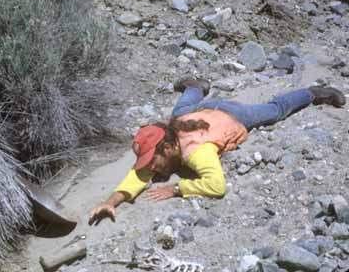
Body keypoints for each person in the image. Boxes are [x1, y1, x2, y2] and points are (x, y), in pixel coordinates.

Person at [88, 81, 346, 225]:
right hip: (196, 112)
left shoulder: (196, 152)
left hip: (232, 114)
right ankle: (195, 85)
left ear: (167, 148)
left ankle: (314, 92)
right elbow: (138, 177)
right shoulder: (166, 138)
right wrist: (109, 203)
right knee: (182, 107)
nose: (151, 168)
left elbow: (217, 185)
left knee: (274, 110)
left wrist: (177, 189)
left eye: (152, 161)